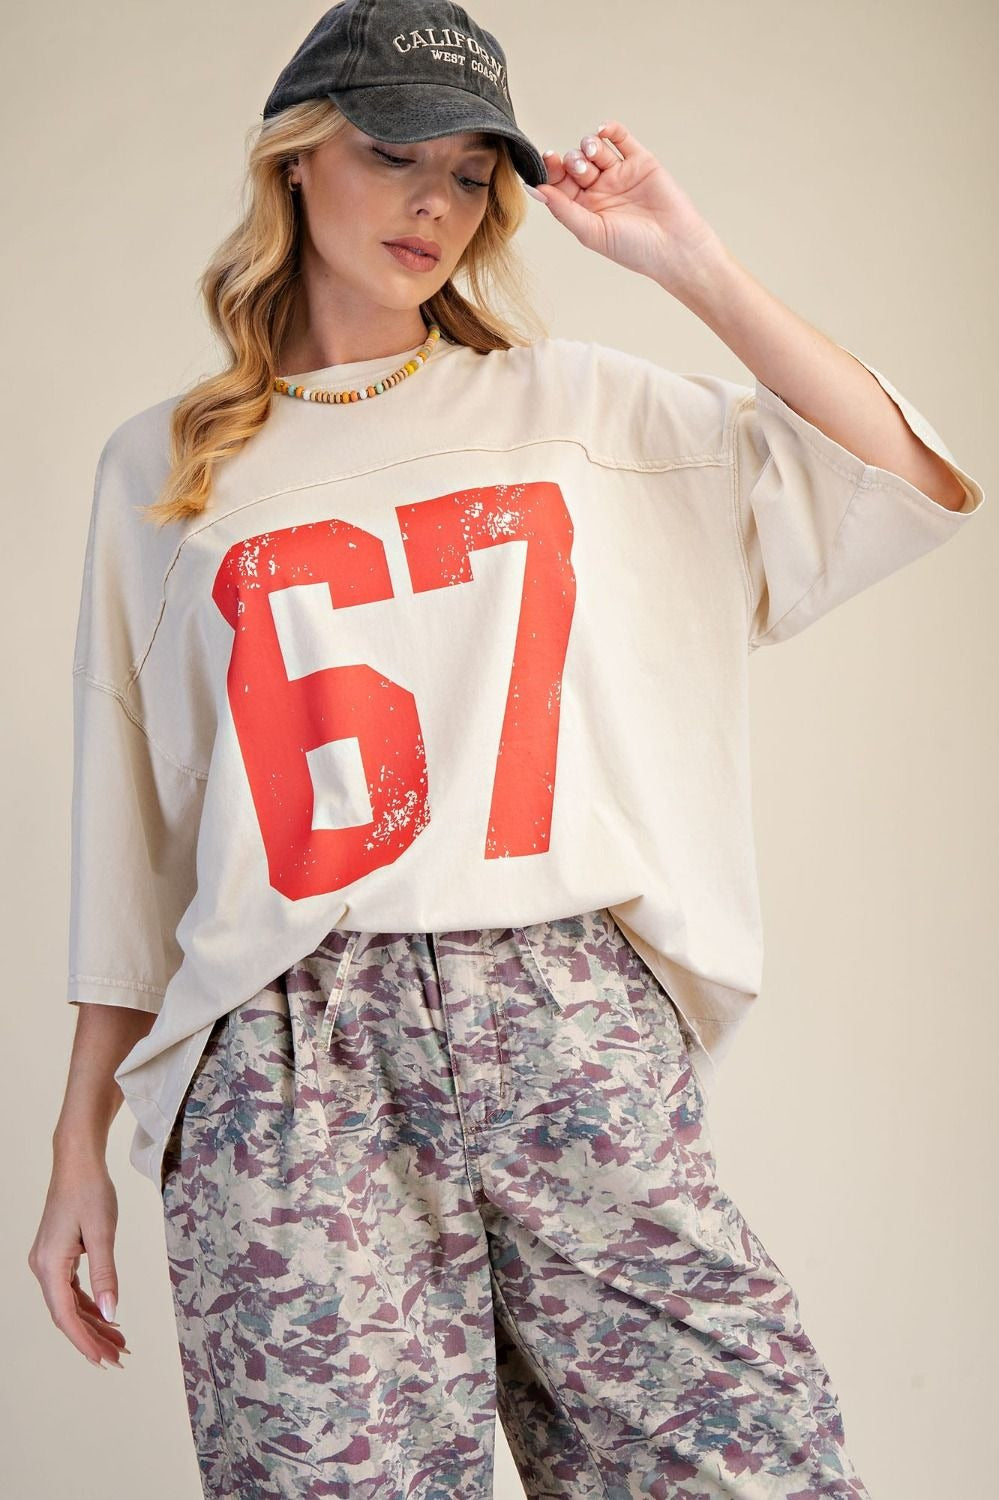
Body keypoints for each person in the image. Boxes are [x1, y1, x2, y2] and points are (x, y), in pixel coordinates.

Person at [29, 1, 984, 1495]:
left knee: (754, 1462)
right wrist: (77, 1147)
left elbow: (905, 478)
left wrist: (691, 263)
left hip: (568, 1021)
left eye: (473, 175)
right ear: (293, 163)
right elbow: (131, 831)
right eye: (395, 151)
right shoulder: (163, 467)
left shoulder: (579, 410)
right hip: (290, 1057)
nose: (434, 201)